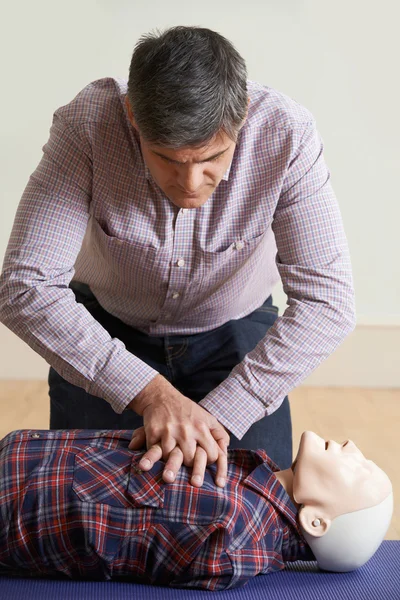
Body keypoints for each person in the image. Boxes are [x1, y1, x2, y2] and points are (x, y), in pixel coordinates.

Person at [0, 26, 356, 486]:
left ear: (242, 114)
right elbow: (24, 285)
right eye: (168, 158)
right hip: (107, 324)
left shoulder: (286, 134)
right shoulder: (88, 125)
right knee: (78, 515)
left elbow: (329, 303)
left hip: (235, 331)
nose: (191, 184)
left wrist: (215, 418)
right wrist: (149, 393)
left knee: (257, 513)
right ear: (132, 116)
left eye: (212, 157)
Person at [0, 429, 392, 591]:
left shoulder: (232, 526)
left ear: (316, 520)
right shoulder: (254, 476)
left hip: (13, 494)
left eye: (358, 471)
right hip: (23, 457)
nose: (352, 447)